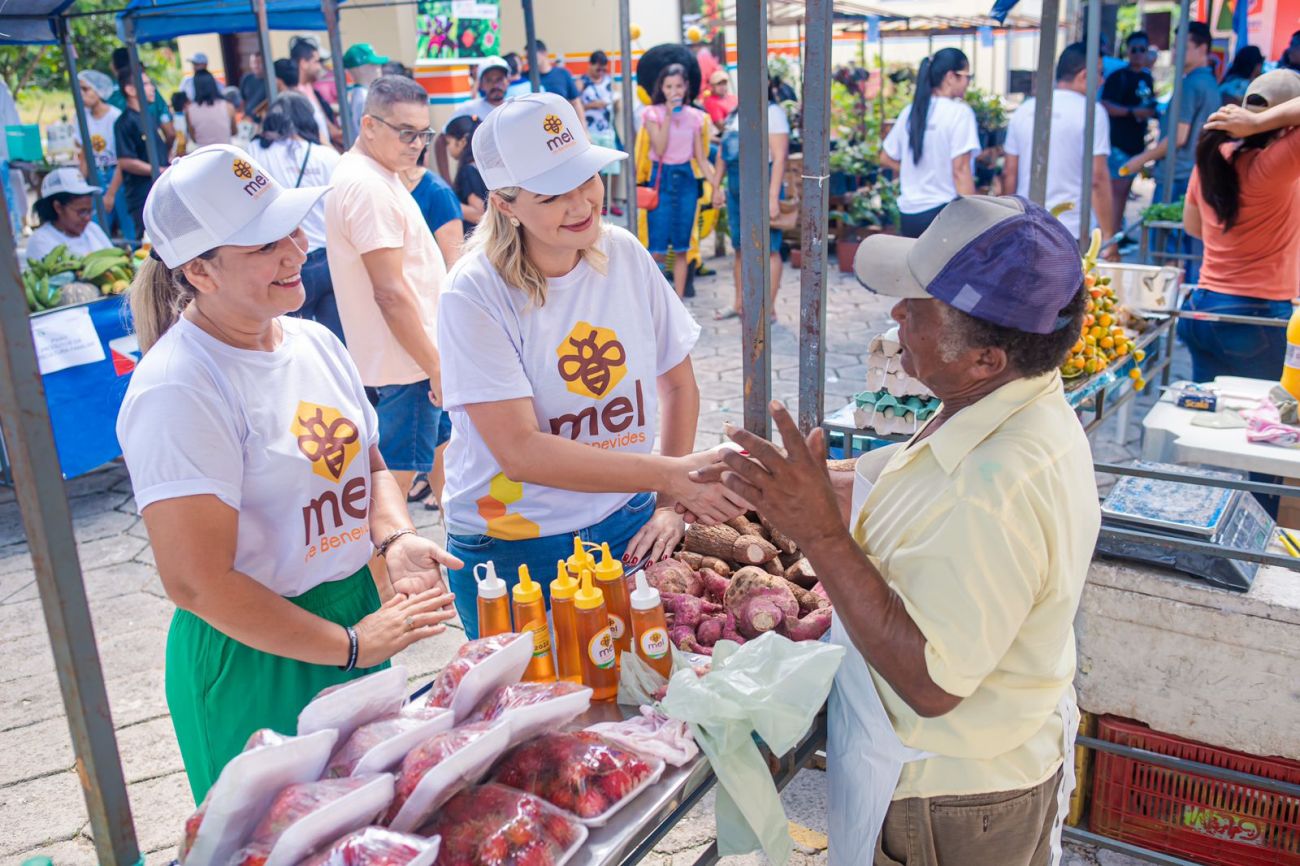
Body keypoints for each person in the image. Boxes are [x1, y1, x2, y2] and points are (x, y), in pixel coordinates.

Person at [695, 195, 1098, 866]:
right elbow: (910, 482)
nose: (897, 315)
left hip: (955, 804)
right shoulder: (1003, 402)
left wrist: (823, 535)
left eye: (920, 307)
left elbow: (932, 684)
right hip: (977, 770)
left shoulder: (992, 489)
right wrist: (789, 483)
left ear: (985, 359)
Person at [115, 143, 460, 804]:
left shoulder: (314, 342)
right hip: (256, 648)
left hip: (353, 612)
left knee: (374, 821)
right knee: (281, 836)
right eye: (265, 244)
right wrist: (348, 645)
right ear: (200, 270)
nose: (298, 249)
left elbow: (370, 464)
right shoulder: (180, 387)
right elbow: (197, 582)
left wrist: (394, 538)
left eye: (293, 229)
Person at [436, 92, 740, 638]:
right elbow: (520, 452)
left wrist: (668, 502)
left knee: (637, 681)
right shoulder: (475, 291)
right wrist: (669, 473)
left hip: (627, 522)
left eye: (587, 179)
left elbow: (677, 384)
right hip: (516, 547)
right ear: (505, 204)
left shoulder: (623, 253)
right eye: (553, 195)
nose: (580, 205)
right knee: (535, 688)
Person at [325, 75, 451, 516]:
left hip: (416, 358)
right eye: (406, 133)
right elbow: (390, 293)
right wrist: (434, 366)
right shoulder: (368, 186)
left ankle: (463, 545)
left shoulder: (377, 174)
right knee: (392, 493)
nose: (417, 144)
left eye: (424, 134)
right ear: (369, 125)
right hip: (409, 364)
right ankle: (380, 563)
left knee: (446, 469)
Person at [1173, 73, 1300, 383]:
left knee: (1210, 407)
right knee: (1262, 412)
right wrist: (1259, 123)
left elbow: (1193, 226)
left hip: (1203, 308)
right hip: (1255, 317)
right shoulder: (1276, 162)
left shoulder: (1215, 156)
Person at [249, 93, 344, 344]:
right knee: (336, 340)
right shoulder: (327, 156)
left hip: (287, 264)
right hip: (328, 261)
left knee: (290, 339)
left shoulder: (257, 152)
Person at [1004, 43, 1117, 249]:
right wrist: (1109, 236)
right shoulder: (1093, 112)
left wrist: (1008, 224)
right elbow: (1098, 178)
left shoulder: (1024, 110)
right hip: (1072, 230)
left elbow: (1009, 173)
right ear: (1084, 75)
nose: (1102, 81)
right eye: (1101, 73)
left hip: (1027, 226)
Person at [880, 48, 979, 238]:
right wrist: (973, 221)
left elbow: (885, 157)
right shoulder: (960, 113)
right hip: (944, 216)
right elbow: (960, 170)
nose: (968, 83)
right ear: (950, 77)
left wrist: (915, 172)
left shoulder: (910, 112)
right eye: (968, 76)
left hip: (909, 215)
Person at [713, 80, 789, 321]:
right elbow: (723, 155)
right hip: (736, 189)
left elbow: (779, 157)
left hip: (762, 186)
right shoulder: (735, 114)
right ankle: (739, 304)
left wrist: (773, 198)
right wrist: (716, 186)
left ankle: (769, 308)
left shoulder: (773, 113)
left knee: (770, 249)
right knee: (740, 247)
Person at [642, 63, 717, 298]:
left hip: (686, 180)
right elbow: (660, 148)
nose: (674, 91)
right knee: (657, 249)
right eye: (669, 86)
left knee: (682, 247)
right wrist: (668, 115)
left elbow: (701, 158)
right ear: (661, 88)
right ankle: (655, 301)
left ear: (686, 88)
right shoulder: (652, 113)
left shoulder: (696, 117)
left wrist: (716, 186)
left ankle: (680, 301)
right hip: (662, 178)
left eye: (678, 86)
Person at [1121, 22, 1216, 205]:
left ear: (1202, 48)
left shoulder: (1191, 85)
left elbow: (1178, 138)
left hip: (1177, 176)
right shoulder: (1207, 81)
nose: (1175, 52)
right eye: (1175, 46)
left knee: (1164, 222)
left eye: (1183, 47)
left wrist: (1140, 160)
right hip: (1188, 172)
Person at [1101, 31, 1156, 237]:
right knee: (1116, 193)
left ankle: (1116, 234)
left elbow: (1148, 104)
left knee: (1124, 194)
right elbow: (1106, 105)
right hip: (1119, 145)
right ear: (1128, 51)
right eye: (1135, 49)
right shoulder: (1118, 77)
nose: (1138, 54)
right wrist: (1133, 112)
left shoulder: (1147, 77)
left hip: (1136, 145)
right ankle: (1110, 238)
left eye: (1143, 49)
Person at [73, 70, 129, 239]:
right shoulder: (80, 117)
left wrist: (111, 193)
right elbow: (84, 155)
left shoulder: (115, 117)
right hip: (95, 175)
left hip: (116, 174)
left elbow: (123, 160)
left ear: (99, 90)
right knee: (97, 230)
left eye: (86, 89)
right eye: (79, 90)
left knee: (128, 226)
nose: (81, 94)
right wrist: (79, 187)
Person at [113, 69, 167, 238]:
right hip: (142, 194)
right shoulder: (124, 122)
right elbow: (126, 161)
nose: (152, 88)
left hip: (160, 189)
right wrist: (159, 170)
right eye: (146, 84)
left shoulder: (148, 116)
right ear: (130, 90)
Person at [23, 168, 113, 266]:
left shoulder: (92, 229)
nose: (87, 218)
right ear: (58, 207)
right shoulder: (41, 241)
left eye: (89, 211)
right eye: (81, 212)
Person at [109, 48, 176, 152]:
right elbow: (170, 133)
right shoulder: (150, 93)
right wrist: (163, 154)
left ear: (113, 66)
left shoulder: (107, 95)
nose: (151, 88)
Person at [291, 37, 341, 147]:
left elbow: (329, 128)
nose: (320, 67)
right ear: (303, 63)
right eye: (317, 62)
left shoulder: (309, 88)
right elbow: (315, 133)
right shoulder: (295, 94)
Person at [444, 115, 487, 232]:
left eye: (448, 142)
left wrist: (446, 202)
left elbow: (479, 214)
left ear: (462, 142)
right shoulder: (482, 166)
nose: (448, 148)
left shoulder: (468, 171)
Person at [528, 40, 585, 125]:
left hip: (563, 125)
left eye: (532, 56)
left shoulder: (563, 74)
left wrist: (583, 127)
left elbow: (576, 102)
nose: (529, 60)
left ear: (544, 53)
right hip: (538, 125)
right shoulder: (526, 78)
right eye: (527, 57)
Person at [185, 70, 237, 148]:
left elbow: (194, 138)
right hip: (225, 153)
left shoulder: (189, 111)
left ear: (195, 87)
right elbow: (234, 132)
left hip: (204, 154)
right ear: (213, 84)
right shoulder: (228, 106)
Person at [344, 43, 389, 130]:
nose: (378, 67)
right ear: (360, 69)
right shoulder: (363, 97)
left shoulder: (362, 93)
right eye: (373, 64)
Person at [450, 57, 510, 121]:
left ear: (508, 81)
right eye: (489, 80)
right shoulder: (468, 109)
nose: (495, 85)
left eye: (499, 79)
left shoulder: (515, 107)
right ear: (481, 85)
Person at [580, 51, 617, 133]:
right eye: (598, 69)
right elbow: (574, 108)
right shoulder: (581, 83)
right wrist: (591, 105)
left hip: (608, 131)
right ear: (590, 65)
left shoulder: (610, 82)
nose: (601, 72)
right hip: (589, 131)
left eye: (603, 69)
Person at [240, 53, 269, 121]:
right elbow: (243, 101)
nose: (256, 66)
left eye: (259, 63)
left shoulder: (271, 81)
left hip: (264, 120)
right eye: (253, 63)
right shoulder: (246, 78)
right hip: (248, 121)